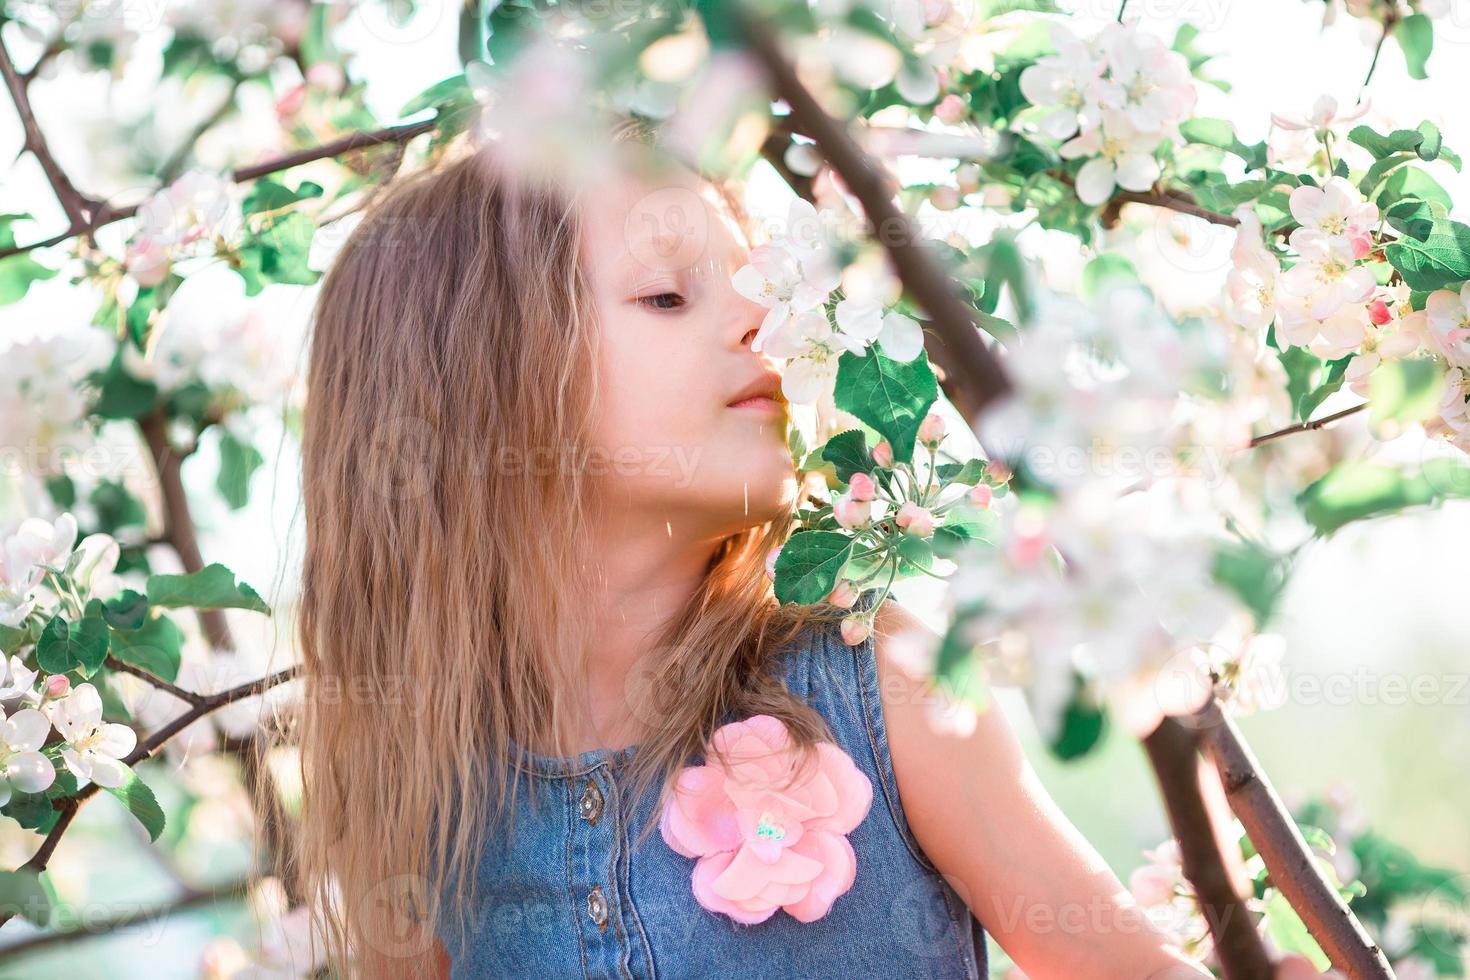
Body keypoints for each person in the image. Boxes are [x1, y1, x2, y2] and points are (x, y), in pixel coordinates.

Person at [288, 120, 1336, 979]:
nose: (762, 323)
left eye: (759, 285)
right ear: (479, 395)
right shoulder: (430, 799)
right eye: (666, 294)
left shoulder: (876, 685)